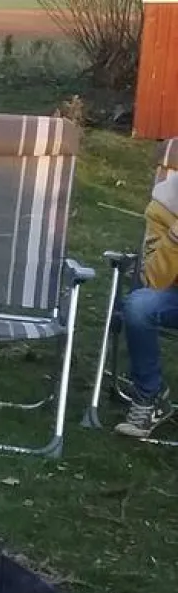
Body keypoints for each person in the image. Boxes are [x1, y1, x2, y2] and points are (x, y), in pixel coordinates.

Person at [115, 169, 178, 437]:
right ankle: (149, 397)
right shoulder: (163, 205)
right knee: (140, 305)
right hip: (172, 296)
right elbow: (154, 279)